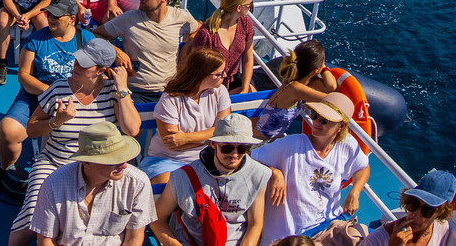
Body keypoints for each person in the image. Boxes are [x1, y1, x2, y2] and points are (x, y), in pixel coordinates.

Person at [7, 38, 141, 246]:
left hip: (98, 168)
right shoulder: (59, 89)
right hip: (55, 162)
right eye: (77, 60)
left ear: (101, 70)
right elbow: (31, 129)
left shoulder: (113, 93)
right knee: (34, 213)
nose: (75, 66)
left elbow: (132, 129)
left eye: (84, 64)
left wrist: (122, 87)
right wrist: (56, 121)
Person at [0, 0, 98, 198]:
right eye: (49, 14)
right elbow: (23, 76)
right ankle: (6, 169)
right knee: (7, 131)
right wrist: (53, 93)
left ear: (72, 18)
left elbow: (99, 70)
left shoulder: (86, 40)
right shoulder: (37, 39)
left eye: (57, 16)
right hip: (36, 96)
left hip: (76, 98)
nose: (51, 19)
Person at [258, 91, 370, 243]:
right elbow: (250, 159)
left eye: (324, 120)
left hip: (326, 231)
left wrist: (355, 192)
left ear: (341, 126)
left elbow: (362, 167)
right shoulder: (291, 145)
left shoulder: (347, 146)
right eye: (315, 115)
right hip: (290, 240)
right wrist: (274, 173)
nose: (316, 122)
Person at [149, 115, 273, 246]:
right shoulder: (182, 176)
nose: (235, 154)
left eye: (242, 148)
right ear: (213, 144)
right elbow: (157, 219)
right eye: (227, 148)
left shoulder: (258, 174)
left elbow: (255, 224)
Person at [29, 122, 156, 246]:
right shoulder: (54, 184)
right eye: (114, 160)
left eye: (124, 158)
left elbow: (134, 240)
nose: (123, 165)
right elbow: (46, 241)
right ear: (87, 162)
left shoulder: (138, 183)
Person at [95, 0, 198, 103]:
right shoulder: (128, 19)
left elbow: (196, 31)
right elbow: (95, 34)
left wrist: (186, 50)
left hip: (170, 91)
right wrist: (116, 51)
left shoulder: (181, 17)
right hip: (136, 92)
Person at [140, 47, 236, 181]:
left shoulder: (220, 91)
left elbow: (224, 131)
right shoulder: (170, 98)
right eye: (218, 74)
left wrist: (186, 138)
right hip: (167, 160)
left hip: (208, 159)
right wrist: (210, 139)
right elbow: (172, 144)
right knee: (173, 184)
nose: (224, 76)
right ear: (201, 75)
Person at [251, 39, 337, 140]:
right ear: (316, 69)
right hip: (260, 141)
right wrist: (324, 68)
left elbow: (331, 86)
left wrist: (322, 68)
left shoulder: (297, 81)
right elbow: (333, 100)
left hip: (272, 138)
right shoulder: (295, 88)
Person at [358, 169, 456, 246]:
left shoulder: (442, 229)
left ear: (441, 211)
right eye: (413, 204)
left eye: (427, 210)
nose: (415, 214)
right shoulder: (375, 241)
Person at [189, 0, 257, 93]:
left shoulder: (246, 24)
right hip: (211, 84)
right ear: (239, 8)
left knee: (252, 92)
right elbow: (196, 69)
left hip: (234, 80)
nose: (250, 8)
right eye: (250, 5)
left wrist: (244, 89)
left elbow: (248, 58)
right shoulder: (206, 34)